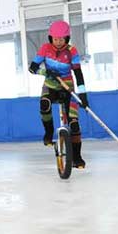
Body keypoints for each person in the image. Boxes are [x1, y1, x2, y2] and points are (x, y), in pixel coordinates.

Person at [28, 20, 89, 168]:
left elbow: (78, 73)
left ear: (67, 38)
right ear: (51, 38)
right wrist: (45, 71)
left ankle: (76, 157)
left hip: (67, 86)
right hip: (50, 85)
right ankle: (48, 133)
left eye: (61, 39)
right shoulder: (45, 49)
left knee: (74, 124)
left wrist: (83, 95)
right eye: (55, 39)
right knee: (44, 103)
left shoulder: (72, 51)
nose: (58, 42)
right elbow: (32, 68)